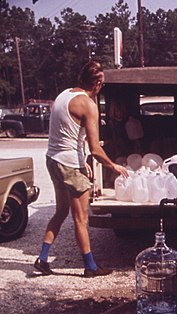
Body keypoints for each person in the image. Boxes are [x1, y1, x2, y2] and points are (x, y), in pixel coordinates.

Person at [34, 60, 128, 277]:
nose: (101, 88)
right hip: (69, 166)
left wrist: (80, 158)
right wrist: (113, 165)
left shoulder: (63, 95)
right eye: (101, 84)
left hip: (53, 160)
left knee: (60, 212)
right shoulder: (88, 105)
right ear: (95, 83)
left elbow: (66, 134)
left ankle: (43, 258)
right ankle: (90, 266)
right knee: (81, 219)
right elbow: (95, 149)